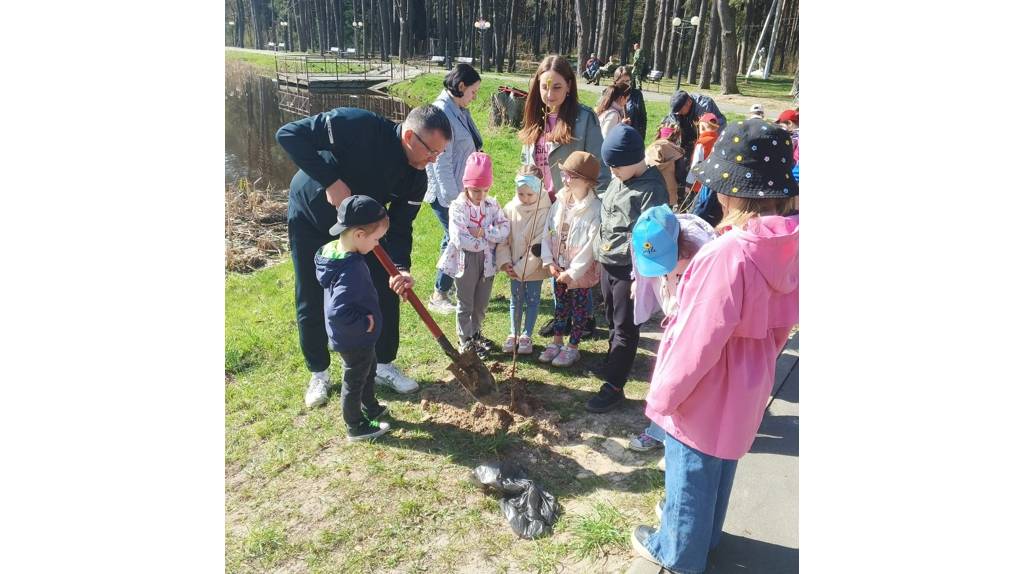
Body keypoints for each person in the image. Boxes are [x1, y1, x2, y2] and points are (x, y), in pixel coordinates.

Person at [630, 118, 798, 573]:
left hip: (705, 385)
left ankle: (679, 553)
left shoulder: (727, 254)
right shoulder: (789, 245)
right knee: (721, 464)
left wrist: (663, 396)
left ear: (731, 192)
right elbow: (783, 327)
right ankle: (707, 540)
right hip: (750, 377)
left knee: (689, 473)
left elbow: (696, 340)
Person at [277, 105, 452, 407]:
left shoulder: (416, 178)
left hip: (361, 230)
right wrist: (330, 180)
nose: (434, 160)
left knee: (386, 284)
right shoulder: (357, 125)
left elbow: (399, 229)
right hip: (313, 216)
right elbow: (289, 134)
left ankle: (383, 364)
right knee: (310, 291)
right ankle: (319, 372)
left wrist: (400, 268)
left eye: (440, 154)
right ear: (410, 136)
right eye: (431, 152)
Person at [519, 55, 610, 342]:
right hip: (546, 202)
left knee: (576, 261)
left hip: (576, 204)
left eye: (557, 87)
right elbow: (532, 159)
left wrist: (593, 206)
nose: (549, 94)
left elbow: (600, 167)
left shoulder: (584, 119)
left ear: (569, 86)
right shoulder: (537, 116)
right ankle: (563, 316)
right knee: (554, 260)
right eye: (544, 87)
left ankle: (585, 318)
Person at [588, 124, 669, 413]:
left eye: (616, 167)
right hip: (608, 263)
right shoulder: (618, 176)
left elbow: (652, 236)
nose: (612, 173)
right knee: (611, 316)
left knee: (625, 326)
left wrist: (643, 275)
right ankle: (614, 361)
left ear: (634, 160)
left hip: (629, 269)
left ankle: (614, 385)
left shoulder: (652, 190)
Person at [625, 206, 717, 453]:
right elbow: (641, 260)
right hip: (674, 311)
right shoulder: (644, 237)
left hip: (696, 320)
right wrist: (638, 279)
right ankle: (661, 430)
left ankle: (678, 438)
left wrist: (685, 314)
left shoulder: (701, 251)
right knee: (666, 375)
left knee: (684, 377)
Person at [314, 196, 393, 441]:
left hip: (358, 337)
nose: (377, 244)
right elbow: (337, 311)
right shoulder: (351, 269)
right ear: (359, 235)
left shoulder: (331, 251)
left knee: (368, 369)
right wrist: (364, 324)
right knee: (354, 379)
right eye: (376, 239)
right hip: (353, 337)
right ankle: (355, 425)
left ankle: (370, 405)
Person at [436, 152, 510, 358]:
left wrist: (484, 233)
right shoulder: (458, 207)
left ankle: (476, 333)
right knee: (465, 302)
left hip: (488, 261)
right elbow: (460, 238)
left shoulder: (492, 205)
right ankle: (465, 340)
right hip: (466, 260)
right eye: (476, 190)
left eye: (485, 190)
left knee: (481, 302)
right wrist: (486, 240)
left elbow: (505, 228)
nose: (481, 195)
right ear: (466, 186)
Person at [425, 63, 484, 315]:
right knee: (455, 239)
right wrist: (453, 200)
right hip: (446, 193)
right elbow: (441, 162)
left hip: (460, 190)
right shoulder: (443, 113)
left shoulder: (457, 108)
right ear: (461, 86)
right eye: (473, 91)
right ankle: (439, 294)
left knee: (453, 238)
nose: (475, 96)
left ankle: (451, 288)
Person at [538, 151, 603, 368]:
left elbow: (590, 246)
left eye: (570, 176)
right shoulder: (560, 202)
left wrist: (573, 272)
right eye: (564, 174)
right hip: (558, 266)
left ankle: (573, 346)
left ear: (586, 181)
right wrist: (548, 260)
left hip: (578, 272)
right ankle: (556, 341)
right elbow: (548, 231)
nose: (564, 179)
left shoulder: (595, 209)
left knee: (579, 309)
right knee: (560, 307)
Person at [496, 164, 552, 355]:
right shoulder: (510, 208)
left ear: (539, 190)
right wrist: (506, 263)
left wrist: (520, 269)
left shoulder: (544, 211)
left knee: (533, 299)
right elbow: (503, 238)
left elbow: (538, 245)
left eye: (530, 195)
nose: (526, 199)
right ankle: (514, 333)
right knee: (516, 300)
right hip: (513, 265)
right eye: (521, 194)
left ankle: (527, 335)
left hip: (533, 267)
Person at [659, 91, 727, 195]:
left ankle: (696, 189)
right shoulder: (678, 106)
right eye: (677, 112)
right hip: (689, 134)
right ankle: (682, 188)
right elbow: (671, 120)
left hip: (708, 139)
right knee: (681, 161)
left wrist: (697, 144)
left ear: (689, 103)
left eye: (681, 111)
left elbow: (708, 130)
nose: (679, 114)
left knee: (699, 163)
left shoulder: (705, 106)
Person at [688, 113, 725, 226]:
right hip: (716, 184)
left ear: (702, 126)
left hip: (699, 184)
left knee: (697, 212)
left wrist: (688, 184)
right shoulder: (721, 141)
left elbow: (695, 166)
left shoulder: (702, 143)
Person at [612, 66, 648, 141]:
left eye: (627, 81)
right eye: (622, 82)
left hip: (633, 137)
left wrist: (640, 139)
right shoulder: (610, 94)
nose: (626, 84)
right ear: (615, 81)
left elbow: (642, 118)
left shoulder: (636, 94)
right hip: (615, 138)